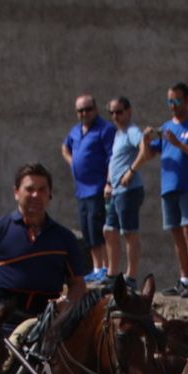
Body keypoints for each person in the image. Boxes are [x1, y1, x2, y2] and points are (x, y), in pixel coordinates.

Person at [0, 163, 89, 332]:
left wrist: (68, 305)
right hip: (3, 325)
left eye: (42, 190)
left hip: (48, 325)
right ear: (16, 192)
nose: (36, 195)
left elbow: (77, 284)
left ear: (50, 194)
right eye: (29, 189)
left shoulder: (65, 238)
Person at [147, 82, 188, 297]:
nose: (172, 105)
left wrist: (179, 144)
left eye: (177, 101)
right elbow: (150, 154)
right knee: (176, 234)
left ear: (187, 100)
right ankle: (183, 279)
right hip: (169, 187)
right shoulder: (166, 127)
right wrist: (146, 141)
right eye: (169, 101)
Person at [61, 94, 116, 285]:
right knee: (87, 230)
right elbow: (65, 148)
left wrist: (109, 182)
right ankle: (96, 267)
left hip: (98, 188)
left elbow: (112, 157)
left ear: (96, 109)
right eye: (80, 110)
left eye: (87, 109)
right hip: (81, 190)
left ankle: (106, 268)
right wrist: (73, 162)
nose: (84, 113)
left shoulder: (105, 129)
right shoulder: (75, 131)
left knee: (99, 228)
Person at [103, 96, 150, 287]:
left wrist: (131, 171)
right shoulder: (118, 133)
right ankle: (112, 273)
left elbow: (144, 150)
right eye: (112, 113)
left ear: (128, 111)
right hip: (115, 191)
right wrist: (108, 183)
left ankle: (131, 277)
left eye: (119, 112)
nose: (115, 116)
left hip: (129, 190)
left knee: (129, 233)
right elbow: (114, 161)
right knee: (109, 231)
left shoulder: (132, 131)